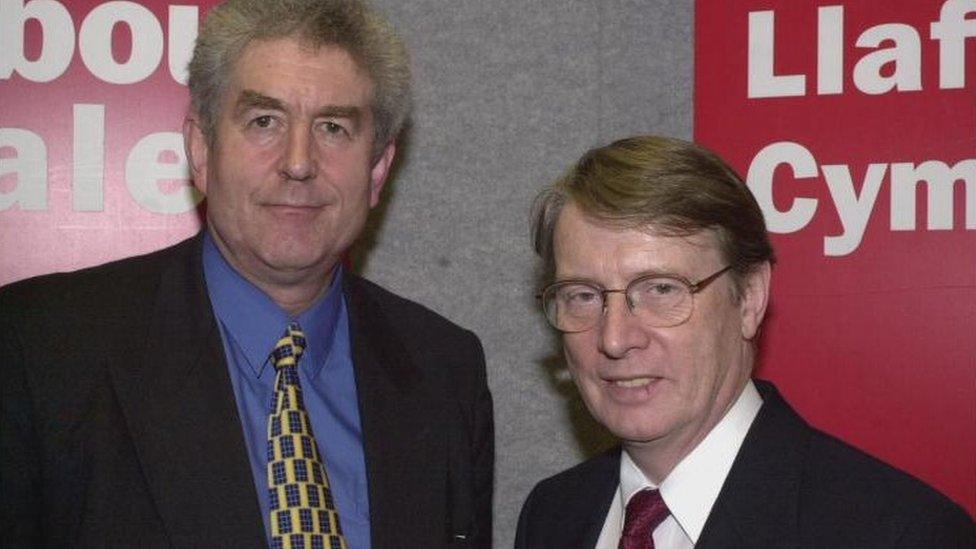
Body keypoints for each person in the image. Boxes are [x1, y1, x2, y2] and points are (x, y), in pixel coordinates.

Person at [0, 1, 492, 547]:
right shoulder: (39, 351)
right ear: (201, 149)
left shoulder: (445, 372)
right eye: (264, 121)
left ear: (377, 171)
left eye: (333, 127)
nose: (299, 162)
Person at [515, 135, 973, 548]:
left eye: (660, 289)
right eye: (582, 296)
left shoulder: (901, 533)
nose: (615, 338)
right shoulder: (554, 514)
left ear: (750, 298)